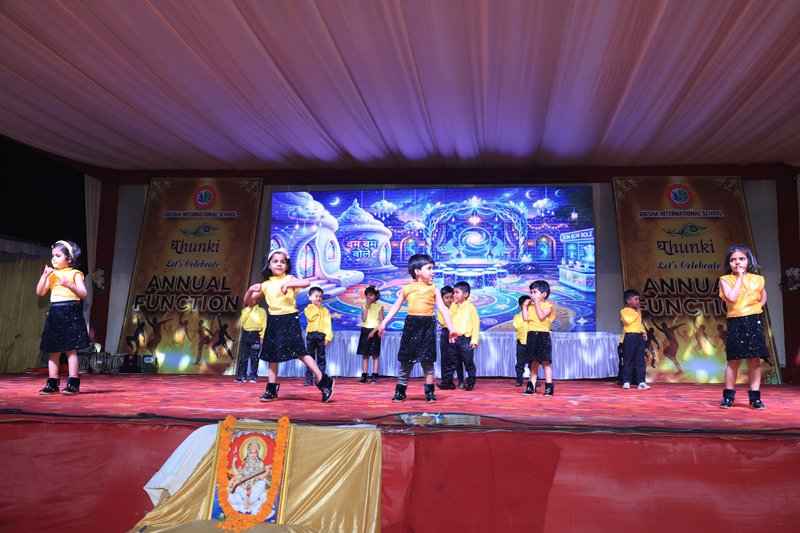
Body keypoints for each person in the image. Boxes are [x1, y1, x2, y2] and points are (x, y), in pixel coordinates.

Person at [245, 248, 334, 402]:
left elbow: (306, 282)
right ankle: (271, 390)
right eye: (275, 261)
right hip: (273, 321)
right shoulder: (265, 285)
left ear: (287, 266)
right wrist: (250, 290)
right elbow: (248, 301)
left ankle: (324, 381)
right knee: (272, 356)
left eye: (282, 262)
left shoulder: (290, 279)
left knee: (301, 353)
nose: (279, 264)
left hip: (289, 319)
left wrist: (288, 284)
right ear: (269, 265)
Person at [377, 253, 457, 402]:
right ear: (417, 271)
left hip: (428, 325)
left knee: (428, 360)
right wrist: (383, 323)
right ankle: (400, 390)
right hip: (412, 325)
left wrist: (451, 328)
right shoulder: (407, 288)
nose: (433, 272)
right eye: (429, 268)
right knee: (406, 360)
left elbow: (443, 308)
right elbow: (395, 307)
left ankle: (429, 392)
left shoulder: (434, 288)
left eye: (433, 268)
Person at [36, 240, 90, 394]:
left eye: (58, 256)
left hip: (71, 312)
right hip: (55, 312)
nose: (53, 258)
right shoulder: (52, 274)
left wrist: (69, 285)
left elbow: (84, 294)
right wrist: (44, 276)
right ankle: (52, 382)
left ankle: (73, 382)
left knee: (70, 350)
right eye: (53, 255)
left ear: (69, 259)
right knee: (53, 350)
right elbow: (40, 292)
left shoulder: (75, 273)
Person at [718, 244, 768, 409]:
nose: (737, 262)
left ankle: (755, 398)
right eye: (733, 260)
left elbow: (763, 298)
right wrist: (739, 277)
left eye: (741, 259)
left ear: (748, 260)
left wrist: (754, 309)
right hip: (736, 321)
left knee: (754, 361)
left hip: (753, 321)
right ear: (729, 263)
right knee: (734, 361)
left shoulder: (758, 279)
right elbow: (732, 298)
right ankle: (728, 396)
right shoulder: (725, 279)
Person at [438, 281, 479, 390]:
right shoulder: (453, 306)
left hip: (465, 340)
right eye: (454, 292)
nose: (454, 295)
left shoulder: (470, 307)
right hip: (453, 339)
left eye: (457, 292)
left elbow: (476, 324)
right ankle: (447, 381)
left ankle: (470, 382)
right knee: (451, 361)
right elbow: (448, 319)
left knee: (468, 362)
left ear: (465, 294)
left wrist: (474, 340)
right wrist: (453, 307)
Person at [523, 280, 556, 396]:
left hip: (543, 336)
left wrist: (536, 303)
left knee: (545, 363)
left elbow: (541, 316)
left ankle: (549, 387)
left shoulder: (548, 306)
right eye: (531, 292)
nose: (532, 295)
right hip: (531, 335)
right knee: (533, 363)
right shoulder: (531, 306)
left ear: (544, 294)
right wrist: (525, 306)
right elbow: (525, 318)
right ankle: (531, 387)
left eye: (535, 292)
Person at [227, 440, 272, 515]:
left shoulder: (260, 463)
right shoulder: (244, 463)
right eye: (251, 452)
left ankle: (249, 502)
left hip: (254, 487)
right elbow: (239, 475)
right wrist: (233, 464)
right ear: (248, 453)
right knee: (235, 489)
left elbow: (260, 477)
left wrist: (267, 471)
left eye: (255, 453)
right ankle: (249, 502)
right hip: (244, 486)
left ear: (257, 454)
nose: (252, 454)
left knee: (262, 483)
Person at [620, 289, 650, 390]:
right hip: (630, 336)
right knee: (628, 359)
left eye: (638, 299)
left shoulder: (637, 312)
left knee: (640, 360)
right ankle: (626, 381)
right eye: (636, 299)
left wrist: (644, 332)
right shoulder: (624, 311)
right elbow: (628, 321)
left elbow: (638, 324)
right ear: (628, 301)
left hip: (639, 336)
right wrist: (637, 313)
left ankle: (641, 381)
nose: (638, 301)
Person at [303, 286, 332, 386]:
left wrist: (328, 337)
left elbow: (328, 325)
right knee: (309, 357)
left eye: (320, 297)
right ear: (310, 297)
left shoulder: (325, 311)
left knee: (321, 357)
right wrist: (316, 308)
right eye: (316, 296)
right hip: (311, 335)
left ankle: (321, 379)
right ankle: (309, 378)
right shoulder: (308, 309)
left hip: (321, 336)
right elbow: (311, 318)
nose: (318, 298)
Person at [436, 286, 462, 389]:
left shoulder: (457, 307)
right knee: (445, 358)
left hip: (457, 333)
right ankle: (446, 381)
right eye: (446, 298)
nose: (450, 300)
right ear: (441, 299)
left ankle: (461, 380)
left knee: (458, 358)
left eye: (451, 297)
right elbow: (443, 322)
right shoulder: (441, 309)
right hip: (446, 334)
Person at [234, 301, 267, 383]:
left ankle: (253, 376)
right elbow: (242, 320)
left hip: (255, 335)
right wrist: (248, 309)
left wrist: (262, 337)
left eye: (253, 299)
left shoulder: (261, 311)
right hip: (246, 334)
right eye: (250, 299)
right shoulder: (245, 310)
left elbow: (264, 325)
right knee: (243, 357)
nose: (251, 301)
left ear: (257, 300)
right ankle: (242, 376)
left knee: (254, 357)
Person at [356, 285, 384, 384]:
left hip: (375, 330)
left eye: (371, 295)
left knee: (375, 355)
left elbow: (381, 321)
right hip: (365, 330)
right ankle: (364, 375)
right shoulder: (364, 306)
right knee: (365, 354)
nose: (369, 297)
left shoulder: (380, 306)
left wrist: (375, 331)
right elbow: (364, 319)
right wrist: (366, 307)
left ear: (376, 296)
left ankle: (374, 376)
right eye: (367, 295)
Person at [512, 295, 531, 387]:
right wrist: (524, 315)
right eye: (524, 305)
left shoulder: (534, 316)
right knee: (520, 362)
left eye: (529, 304)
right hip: (521, 342)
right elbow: (516, 326)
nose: (527, 306)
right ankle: (519, 379)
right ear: (520, 306)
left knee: (533, 362)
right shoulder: (517, 316)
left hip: (532, 342)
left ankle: (533, 380)